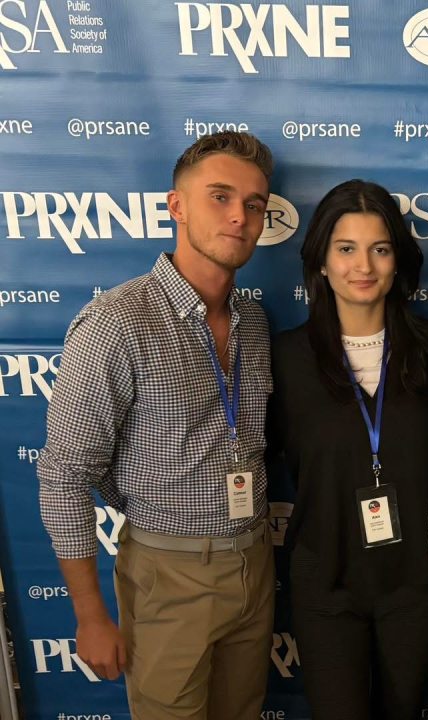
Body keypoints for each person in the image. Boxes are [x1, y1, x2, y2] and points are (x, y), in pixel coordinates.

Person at [37, 131, 276, 719]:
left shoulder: (254, 320)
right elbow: (65, 476)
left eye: (253, 205)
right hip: (169, 573)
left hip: (256, 560)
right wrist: (91, 616)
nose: (238, 217)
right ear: (176, 206)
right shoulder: (117, 322)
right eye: (219, 197)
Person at [269, 180, 428, 720]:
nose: (362, 265)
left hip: (414, 583)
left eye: (380, 248)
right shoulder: (285, 359)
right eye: (345, 248)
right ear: (321, 261)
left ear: (397, 261)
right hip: (327, 583)